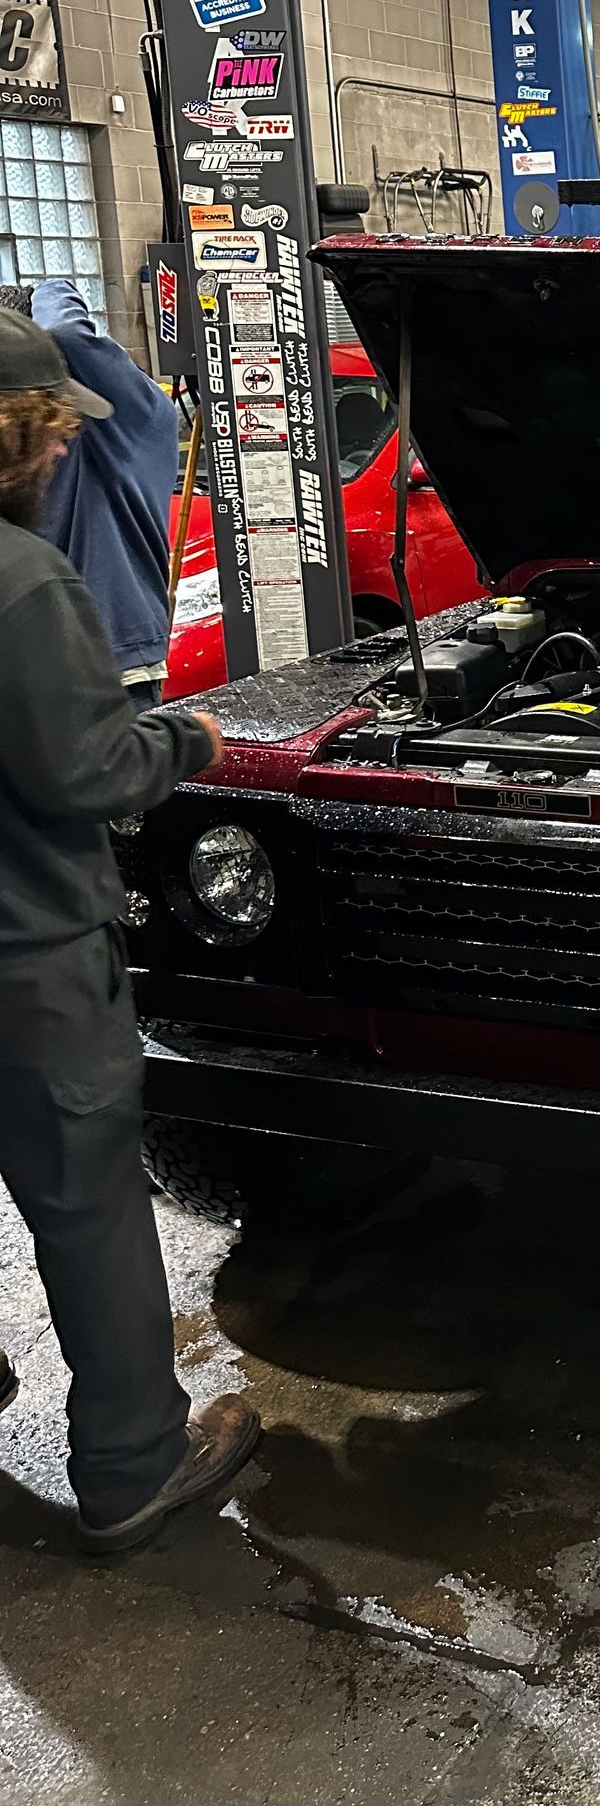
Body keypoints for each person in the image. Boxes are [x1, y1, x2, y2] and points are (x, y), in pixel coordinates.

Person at [0, 305, 259, 1554]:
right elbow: (88, 769)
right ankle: (133, 1465)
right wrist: (190, 737)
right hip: (29, 956)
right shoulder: (24, 582)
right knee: (88, 1206)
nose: (63, 450)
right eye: (49, 429)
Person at [0, 279, 179, 706]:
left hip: (113, 664)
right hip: (28, 662)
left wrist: (50, 288)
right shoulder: (26, 444)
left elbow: (66, 331)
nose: (58, 444)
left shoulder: (130, 420)